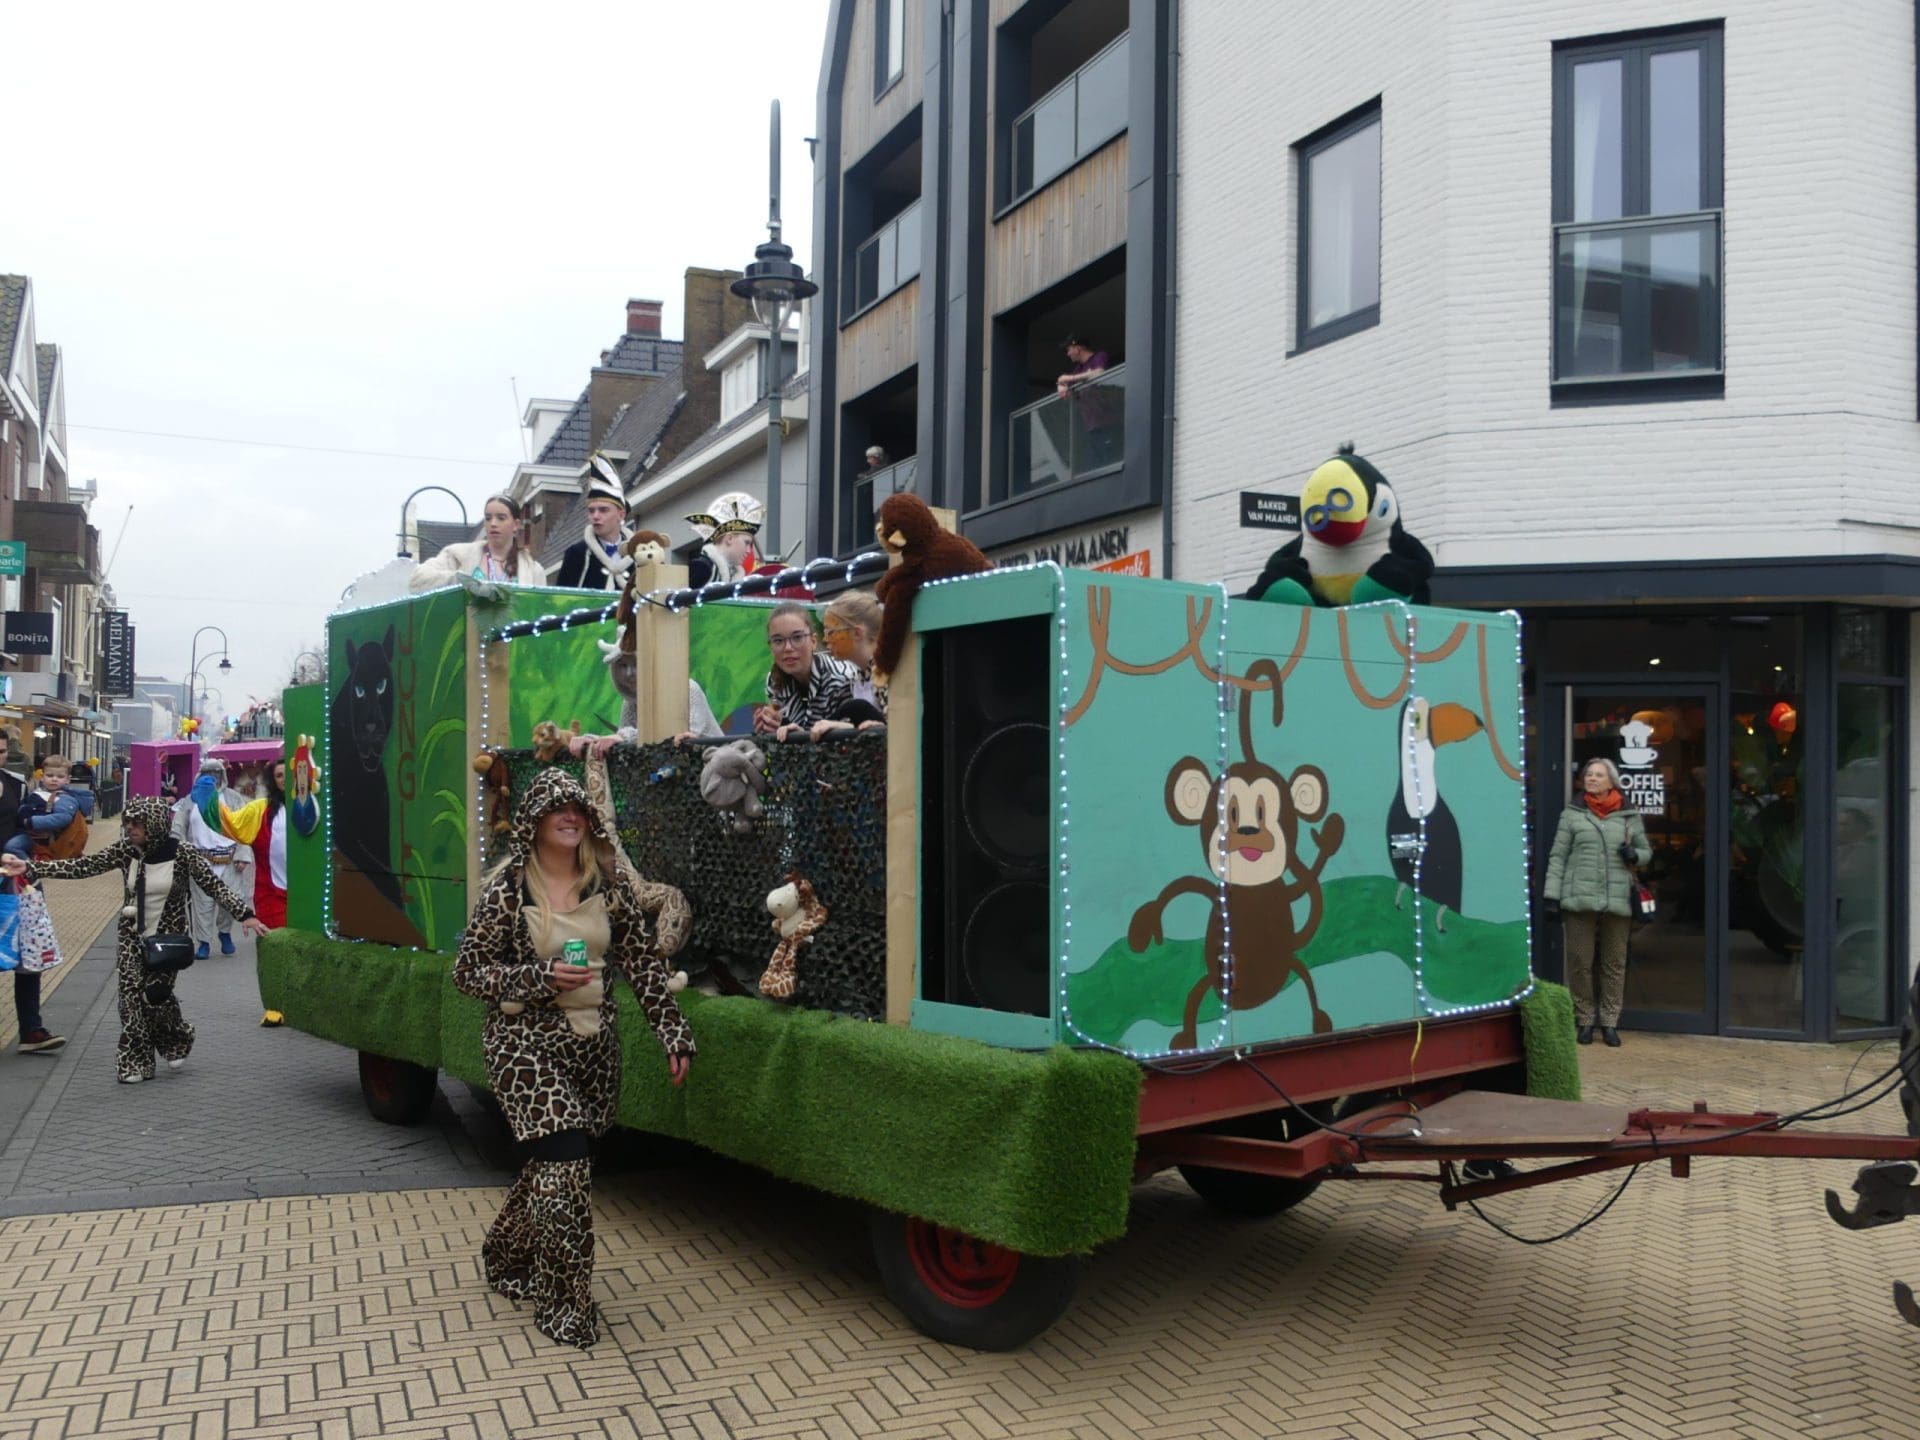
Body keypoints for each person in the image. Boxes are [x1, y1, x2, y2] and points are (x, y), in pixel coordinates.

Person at [451, 769, 693, 1348]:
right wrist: (539, 978)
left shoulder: (607, 886)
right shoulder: (508, 889)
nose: (571, 816)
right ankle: (564, 1304)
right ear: (534, 821)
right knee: (565, 1163)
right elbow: (468, 972)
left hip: (592, 1050)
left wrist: (672, 1031)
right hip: (523, 1045)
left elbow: (642, 963)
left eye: (579, 809)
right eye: (558, 808)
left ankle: (506, 1254)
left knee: (554, 1167)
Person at [1, 796, 267, 1083]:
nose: (130, 828)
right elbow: (84, 866)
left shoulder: (183, 853)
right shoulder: (125, 851)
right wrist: (31, 868)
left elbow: (214, 885)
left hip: (167, 939)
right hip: (132, 936)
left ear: (155, 824)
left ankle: (177, 1037)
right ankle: (134, 1062)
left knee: (155, 996)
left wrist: (245, 914)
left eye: (137, 823)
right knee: (129, 1001)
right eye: (127, 822)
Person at [1543, 757, 1652, 1048]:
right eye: (1589, 774)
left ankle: (1610, 1022)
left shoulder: (1628, 814)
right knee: (1580, 962)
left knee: (1614, 964)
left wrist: (1636, 856)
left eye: (1598, 775)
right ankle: (1585, 1019)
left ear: (1611, 781)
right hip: (1579, 899)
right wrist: (1552, 895)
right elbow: (1558, 856)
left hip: (1618, 900)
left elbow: (1646, 851)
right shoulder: (1572, 814)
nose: (1591, 778)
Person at [0, 730, 62, 1055]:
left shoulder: (16, 785)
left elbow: (29, 827)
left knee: (29, 950)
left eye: (1, 751)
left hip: (19, 880)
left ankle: (30, 1030)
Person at [216, 758, 319, 930]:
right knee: (277, 943)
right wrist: (207, 799)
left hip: (309, 893)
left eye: (287, 774)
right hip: (272, 896)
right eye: (279, 775)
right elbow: (232, 824)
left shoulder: (316, 806)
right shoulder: (260, 809)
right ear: (273, 780)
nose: (284, 779)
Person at [755, 603, 858, 742]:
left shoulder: (840, 679)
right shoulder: (774, 682)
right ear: (770, 647)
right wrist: (770, 727)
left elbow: (852, 741)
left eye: (797, 637)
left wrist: (797, 737)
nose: (788, 648)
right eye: (778, 640)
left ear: (813, 641)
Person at [173, 758, 245, 958]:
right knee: (202, 904)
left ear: (222, 775)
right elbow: (178, 827)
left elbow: (244, 827)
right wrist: (180, 853)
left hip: (228, 861)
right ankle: (203, 942)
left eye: (216, 773)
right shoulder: (191, 799)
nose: (212, 777)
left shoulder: (232, 798)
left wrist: (242, 855)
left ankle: (225, 933)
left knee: (231, 901)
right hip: (201, 860)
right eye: (208, 773)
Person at [409, 494, 549, 592]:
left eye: (501, 518)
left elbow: (542, 611)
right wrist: (457, 580)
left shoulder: (534, 570)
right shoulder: (458, 555)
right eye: (488, 518)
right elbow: (416, 580)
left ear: (516, 525)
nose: (493, 523)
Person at [810, 590, 888, 740]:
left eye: (830, 632)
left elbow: (898, 729)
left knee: (856, 707)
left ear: (857, 633)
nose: (825, 639)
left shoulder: (885, 672)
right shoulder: (857, 678)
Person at [552, 456, 634, 592]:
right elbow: (563, 599)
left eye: (603, 510)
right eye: (591, 511)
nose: (595, 516)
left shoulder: (641, 554)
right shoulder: (576, 554)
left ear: (621, 515)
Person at [1055, 334, 1121, 470]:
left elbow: (1099, 373)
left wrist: (1069, 378)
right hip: (1092, 427)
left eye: (1069, 349)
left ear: (1078, 348)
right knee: (1097, 465)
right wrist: (1061, 385)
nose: (1068, 354)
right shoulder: (1078, 369)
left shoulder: (1099, 356)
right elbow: (1065, 386)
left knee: (1111, 462)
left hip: (1108, 422)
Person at [10, 755, 93, 863]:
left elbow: (62, 818)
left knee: (12, 847)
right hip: (32, 835)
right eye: (49, 775)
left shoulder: (64, 798)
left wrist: (31, 821)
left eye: (60, 777)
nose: (54, 779)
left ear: (68, 779)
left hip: (44, 840)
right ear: (42, 776)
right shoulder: (39, 792)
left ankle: (29, 867)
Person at [685, 493, 764, 590]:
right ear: (729, 539)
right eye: (746, 543)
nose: (748, 551)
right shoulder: (702, 567)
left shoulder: (733, 575)